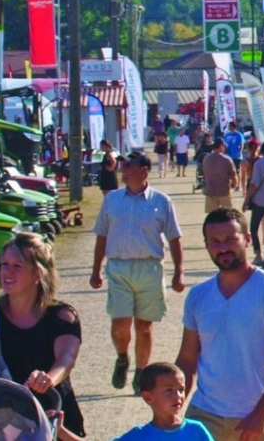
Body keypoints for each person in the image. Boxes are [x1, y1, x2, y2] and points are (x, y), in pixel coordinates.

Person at [177, 208, 264, 441]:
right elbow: (187, 360)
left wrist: (260, 414)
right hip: (204, 415)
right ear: (206, 245)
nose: (223, 248)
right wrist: (170, 402)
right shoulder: (198, 296)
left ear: (247, 239)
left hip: (258, 419)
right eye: (215, 241)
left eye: (231, 239)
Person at [0, 232, 86, 441]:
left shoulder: (62, 315)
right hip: (2, 416)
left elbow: (66, 359)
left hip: (51, 411)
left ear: (38, 274)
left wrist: (48, 379)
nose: (7, 271)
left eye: (17, 266)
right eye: (4, 264)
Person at [90, 151, 186, 391]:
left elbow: (174, 238)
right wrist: (96, 270)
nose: (123, 169)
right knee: (120, 326)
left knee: (144, 327)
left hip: (150, 268)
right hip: (119, 268)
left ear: (143, 171)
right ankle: (122, 357)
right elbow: (101, 235)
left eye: (128, 166)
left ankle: (142, 373)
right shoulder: (112, 199)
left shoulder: (161, 202)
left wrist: (179, 272)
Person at [114, 362, 212, 441]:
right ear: (148, 397)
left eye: (181, 390)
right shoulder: (138, 436)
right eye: (169, 390)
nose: (178, 396)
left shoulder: (195, 430)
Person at [200, 141, 236, 215]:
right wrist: (234, 185)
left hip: (210, 190)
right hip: (224, 191)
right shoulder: (227, 159)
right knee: (228, 214)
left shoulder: (206, 159)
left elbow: (204, 174)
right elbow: (233, 175)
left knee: (212, 216)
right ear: (221, 146)